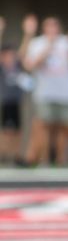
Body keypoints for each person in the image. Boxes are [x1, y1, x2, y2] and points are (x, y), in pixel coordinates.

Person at [20, 15, 68, 167]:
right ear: (44, 29)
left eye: (55, 26)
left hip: (66, 93)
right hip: (44, 92)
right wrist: (48, 47)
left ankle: (62, 159)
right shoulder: (38, 43)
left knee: (65, 127)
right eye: (49, 26)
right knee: (43, 127)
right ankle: (44, 160)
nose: (52, 29)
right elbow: (29, 65)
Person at [0, 17, 30, 165]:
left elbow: (23, 51)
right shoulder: (2, 67)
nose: (10, 57)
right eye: (7, 54)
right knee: (7, 131)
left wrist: (28, 33)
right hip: (6, 102)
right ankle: (5, 155)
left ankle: (17, 157)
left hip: (16, 102)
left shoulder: (17, 66)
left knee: (18, 131)